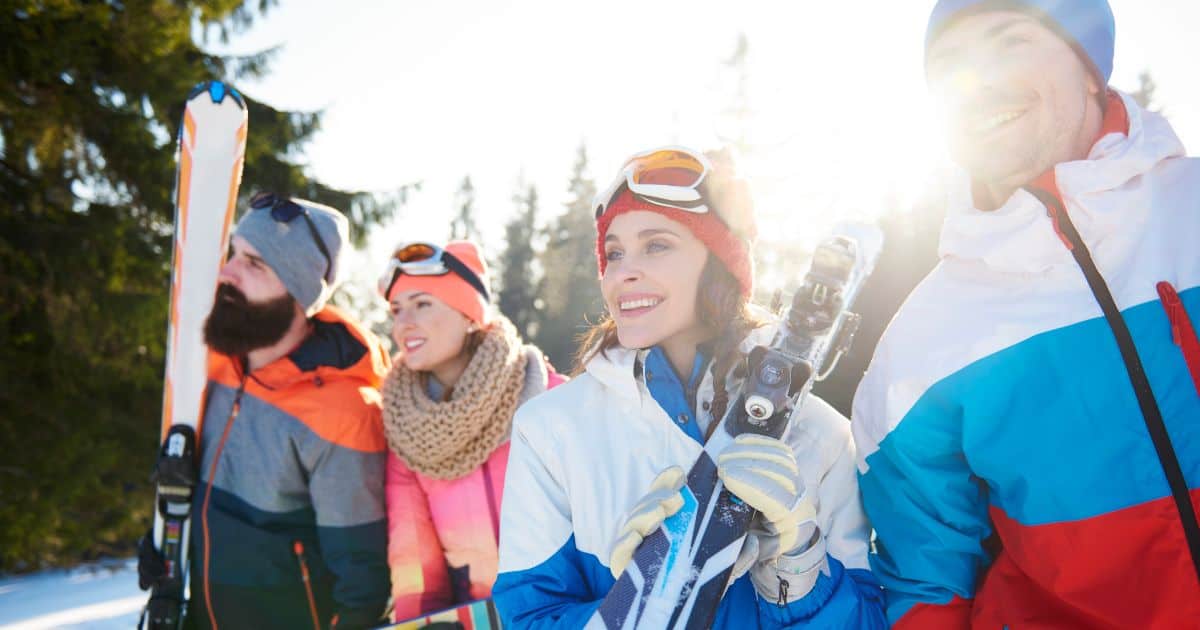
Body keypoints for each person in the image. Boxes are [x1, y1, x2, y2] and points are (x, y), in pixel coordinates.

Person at [852, 1, 1200, 627]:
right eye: (950, 64)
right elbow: (926, 586)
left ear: (1091, 67)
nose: (977, 81)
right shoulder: (920, 344)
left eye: (1010, 42)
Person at [492, 146, 886, 628]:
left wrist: (798, 562)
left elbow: (868, 620)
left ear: (719, 262)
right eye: (613, 252)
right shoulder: (552, 429)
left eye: (656, 244)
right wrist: (632, 604)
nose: (623, 272)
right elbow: (530, 615)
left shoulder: (819, 434)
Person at [138, 192, 390, 629]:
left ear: (298, 290)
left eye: (255, 263)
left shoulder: (342, 412)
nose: (227, 272)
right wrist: (166, 538)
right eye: (234, 253)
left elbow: (362, 581)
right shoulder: (212, 367)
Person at [378, 239, 565, 621]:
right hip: (481, 620)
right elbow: (415, 566)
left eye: (422, 304)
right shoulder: (407, 434)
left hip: (573, 612)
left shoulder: (554, 401)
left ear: (469, 314)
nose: (403, 324)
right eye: (397, 310)